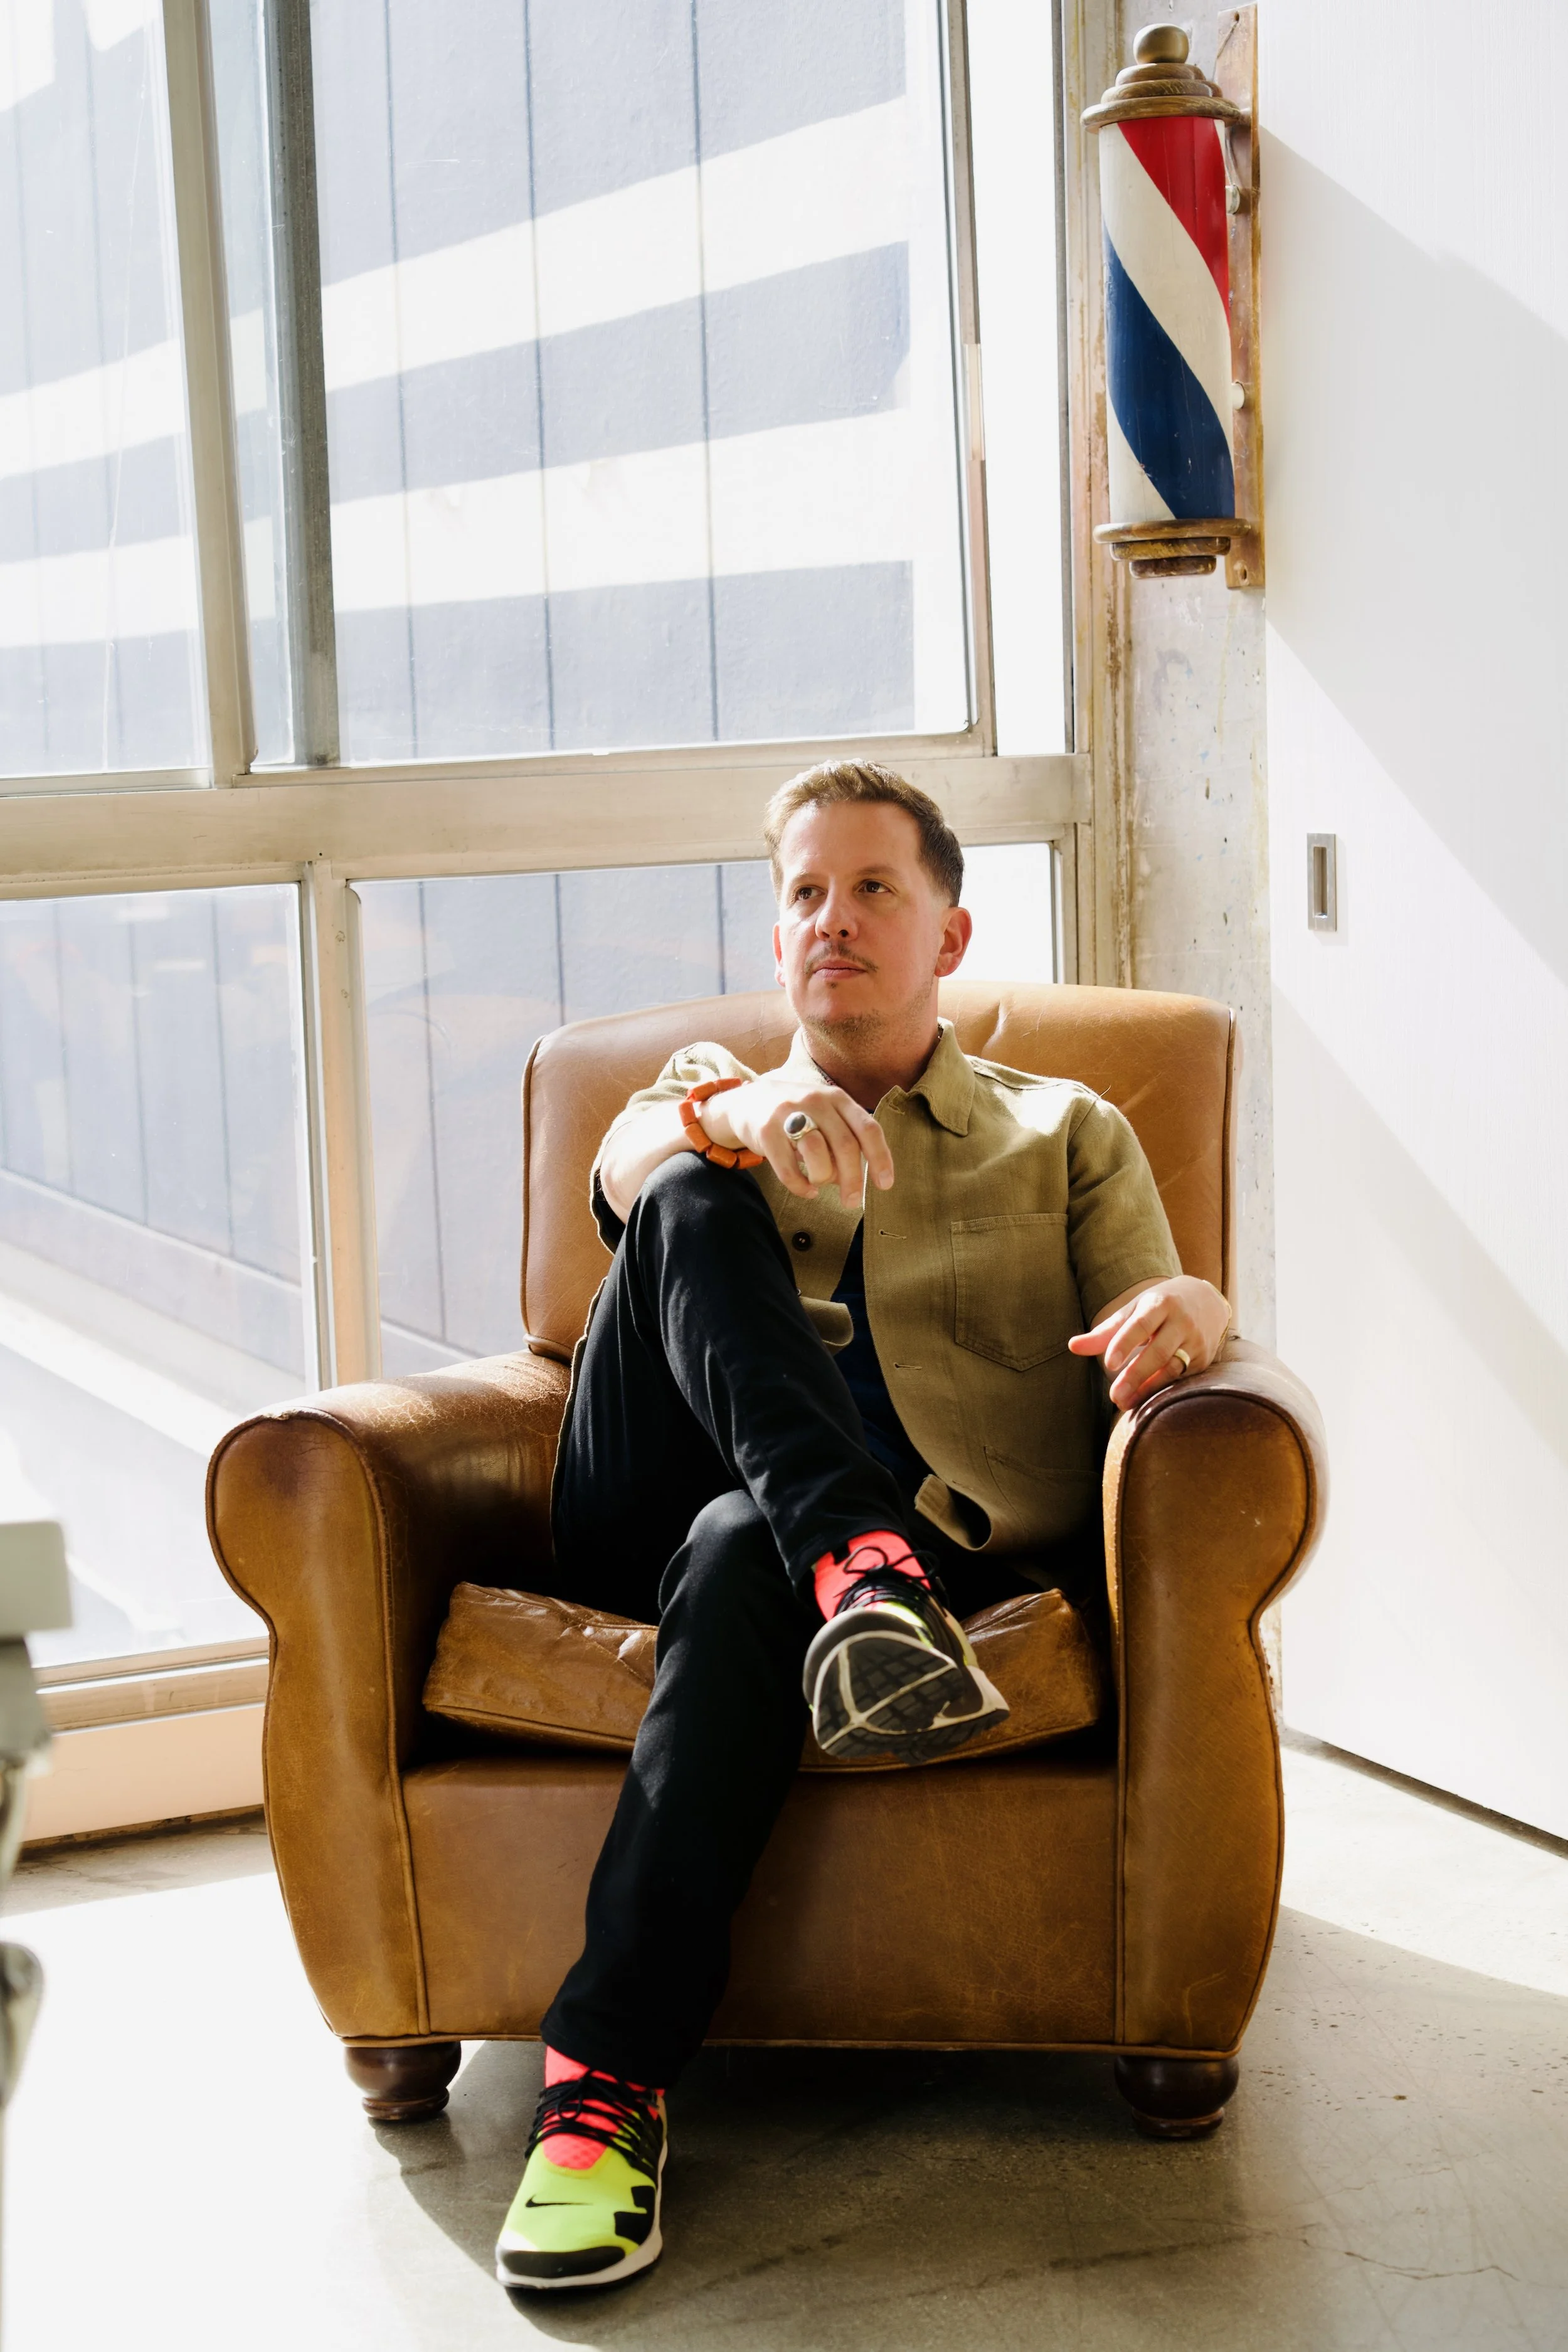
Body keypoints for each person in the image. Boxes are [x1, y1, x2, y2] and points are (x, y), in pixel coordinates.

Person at [495, 761, 1232, 2292]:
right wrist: (738, 1117)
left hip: (908, 1536)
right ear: (777, 935)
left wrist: (1200, 1310)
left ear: (949, 936)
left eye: (873, 888)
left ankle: (598, 2098)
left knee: (732, 1547)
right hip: (640, 1487)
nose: (831, 920)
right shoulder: (701, 1087)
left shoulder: (1065, 1128)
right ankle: (851, 1560)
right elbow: (625, 1175)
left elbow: (1147, 1319)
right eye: (804, 893)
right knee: (696, 1196)